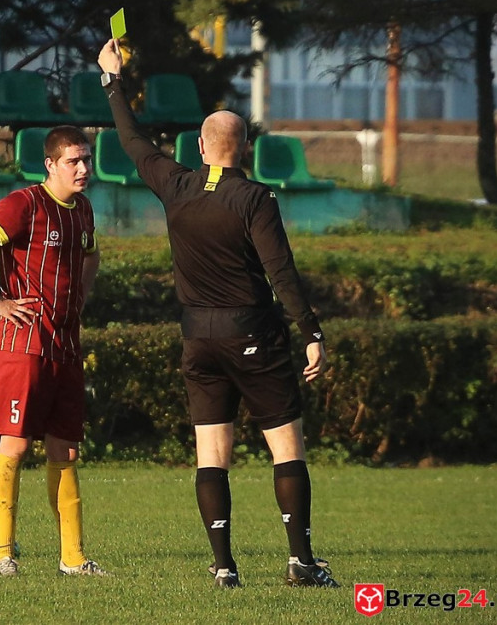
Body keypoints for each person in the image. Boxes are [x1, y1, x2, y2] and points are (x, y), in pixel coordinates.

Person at [97, 39, 339, 589]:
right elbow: (283, 273)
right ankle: (301, 561)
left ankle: (224, 566)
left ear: (201, 146)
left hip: (197, 335)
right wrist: (312, 333)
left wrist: (112, 81)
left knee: (212, 453)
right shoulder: (255, 199)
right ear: (245, 147)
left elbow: (133, 142)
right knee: (285, 446)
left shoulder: (177, 186)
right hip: (252, 332)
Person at [0, 125, 104, 578]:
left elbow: (91, 256)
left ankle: (73, 559)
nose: (82, 168)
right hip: (24, 344)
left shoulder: (82, 210)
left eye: (85, 159)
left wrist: (80, 298)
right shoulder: (25, 204)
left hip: (65, 344)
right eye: (73, 161)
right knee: (15, 446)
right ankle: (3, 555)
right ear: (51, 165)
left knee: (66, 450)